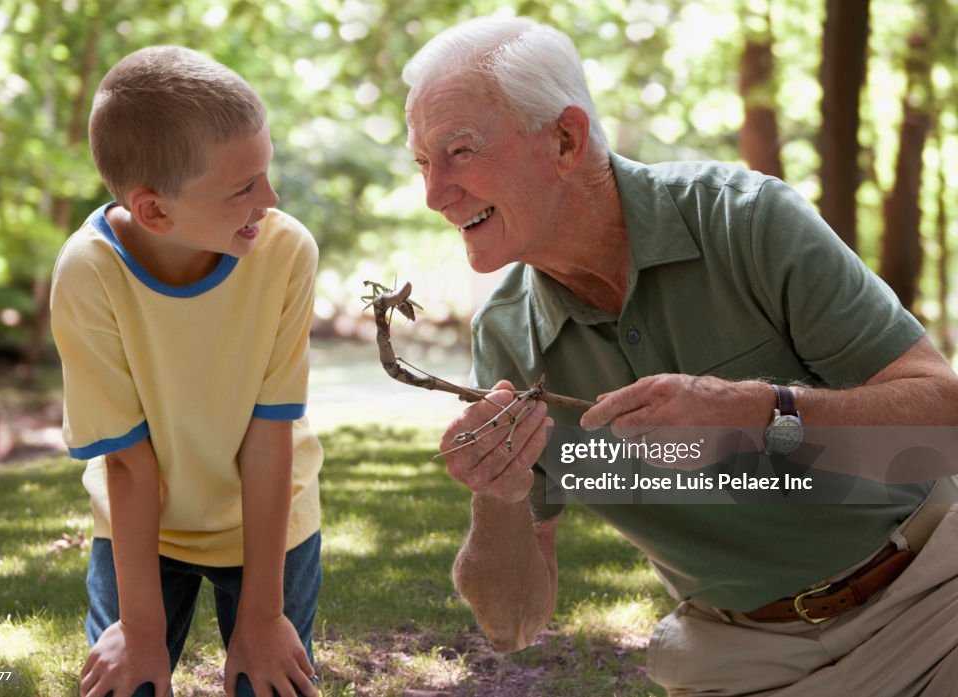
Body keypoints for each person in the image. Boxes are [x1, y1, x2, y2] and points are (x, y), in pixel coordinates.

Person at [402, 16, 958, 697]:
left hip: (934, 593)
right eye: (423, 162)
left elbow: (943, 424)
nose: (435, 194)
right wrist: (499, 495)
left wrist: (757, 413)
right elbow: (513, 623)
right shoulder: (507, 341)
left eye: (458, 151)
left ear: (565, 140)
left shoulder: (749, 221)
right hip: (743, 655)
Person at [50, 46, 322, 697]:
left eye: (266, 172)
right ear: (154, 211)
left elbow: (267, 436)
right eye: (243, 187)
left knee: (269, 681)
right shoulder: (88, 274)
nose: (272, 197)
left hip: (269, 521)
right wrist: (139, 629)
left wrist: (262, 616)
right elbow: (128, 462)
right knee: (129, 681)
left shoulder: (284, 252)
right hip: (144, 529)